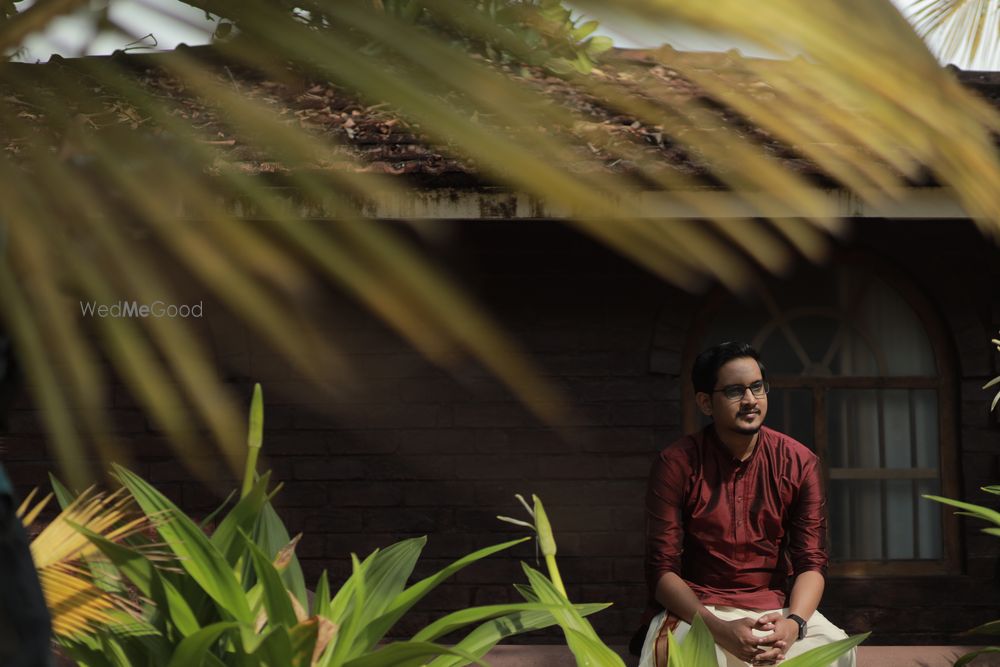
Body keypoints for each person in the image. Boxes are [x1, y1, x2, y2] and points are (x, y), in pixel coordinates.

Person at [635, 342, 855, 667]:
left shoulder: (799, 462)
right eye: (735, 391)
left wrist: (794, 625)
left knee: (837, 649)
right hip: (698, 610)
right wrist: (718, 630)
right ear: (706, 402)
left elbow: (811, 561)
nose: (751, 400)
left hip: (774, 612)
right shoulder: (676, 463)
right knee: (689, 657)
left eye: (757, 387)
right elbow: (661, 570)